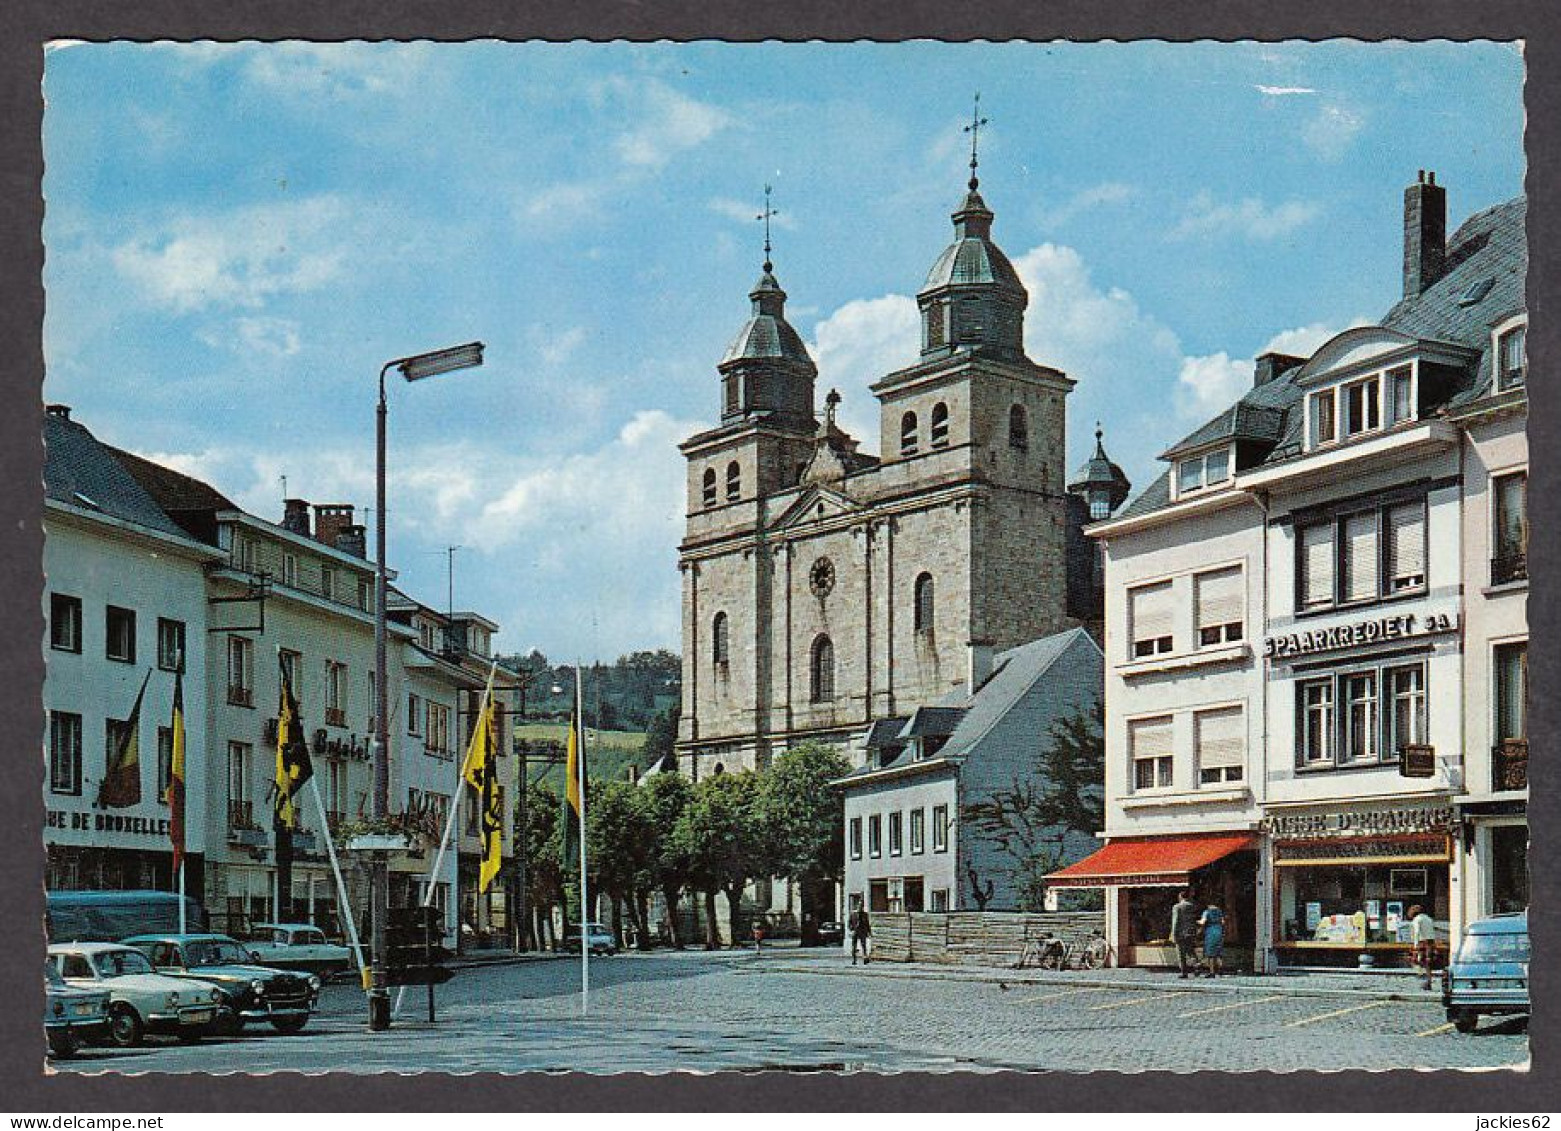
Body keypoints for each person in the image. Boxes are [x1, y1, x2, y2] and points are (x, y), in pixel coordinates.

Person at [1170, 889, 1201, 979]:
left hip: (1180, 933)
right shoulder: (1192, 906)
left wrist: (1174, 934)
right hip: (1191, 932)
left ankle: (1184, 972)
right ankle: (1197, 965)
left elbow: (1175, 921)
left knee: (1180, 953)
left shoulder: (1177, 907)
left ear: (1181, 897)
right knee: (1190, 951)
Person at [1409, 904, 1438, 989]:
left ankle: (1422, 975)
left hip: (1422, 942)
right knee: (1428, 963)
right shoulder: (1429, 918)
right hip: (1430, 942)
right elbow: (1432, 931)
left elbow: (1417, 932)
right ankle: (1428, 981)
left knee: (1417, 960)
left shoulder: (1417, 919)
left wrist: (1415, 944)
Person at [1200, 901, 1226, 978]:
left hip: (1210, 932)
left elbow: (1203, 922)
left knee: (1210, 954)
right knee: (1218, 952)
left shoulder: (1206, 912)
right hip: (1219, 931)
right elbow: (1223, 922)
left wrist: (1196, 921)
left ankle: (1212, 972)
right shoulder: (1219, 912)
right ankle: (1221, 969)